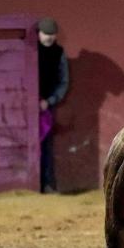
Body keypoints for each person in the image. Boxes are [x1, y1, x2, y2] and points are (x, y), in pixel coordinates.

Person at [38, 17, 69, 193]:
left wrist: (49, 101)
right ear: (39, 34)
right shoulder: (31, 50)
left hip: (46, 106)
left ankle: (47, 184)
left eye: (51, 34)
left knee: (46, 146)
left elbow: (63, 82)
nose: (48, 38)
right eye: (45, 34)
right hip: (23, 106)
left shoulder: (59, 53)